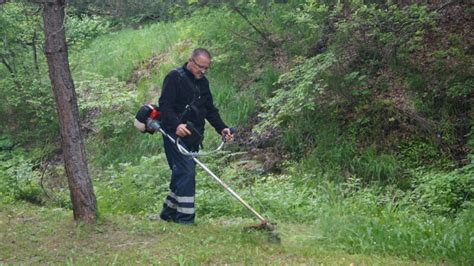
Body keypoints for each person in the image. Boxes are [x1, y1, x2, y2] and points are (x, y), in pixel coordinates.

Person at [157, 48, 233, 224]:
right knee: (186, 172)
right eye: (200, 67)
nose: (203, 71)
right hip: (173, 134)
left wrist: (222, 128)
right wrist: (176, 125)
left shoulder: (203, 83)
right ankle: (185, 219)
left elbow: (210, 110)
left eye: (207, 68)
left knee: (180, 174)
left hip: (194, 136)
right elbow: (165, 106)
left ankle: (168, 213)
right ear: (190, 61)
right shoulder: (174, 77)